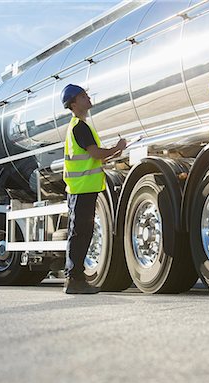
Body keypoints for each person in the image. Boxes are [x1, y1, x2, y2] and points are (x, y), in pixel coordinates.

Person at [60, 84, 126, 294]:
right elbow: (96, 153)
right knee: (80, 233)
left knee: (80, 232)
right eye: (82, 96)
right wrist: (118, 148)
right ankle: (74, 280)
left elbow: (93, 157)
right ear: (73, 103)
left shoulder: (79, 126)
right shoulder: (80, 127)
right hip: (81, 189)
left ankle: (75, 278)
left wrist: (114, 152)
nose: (88, 98)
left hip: (82, 189)